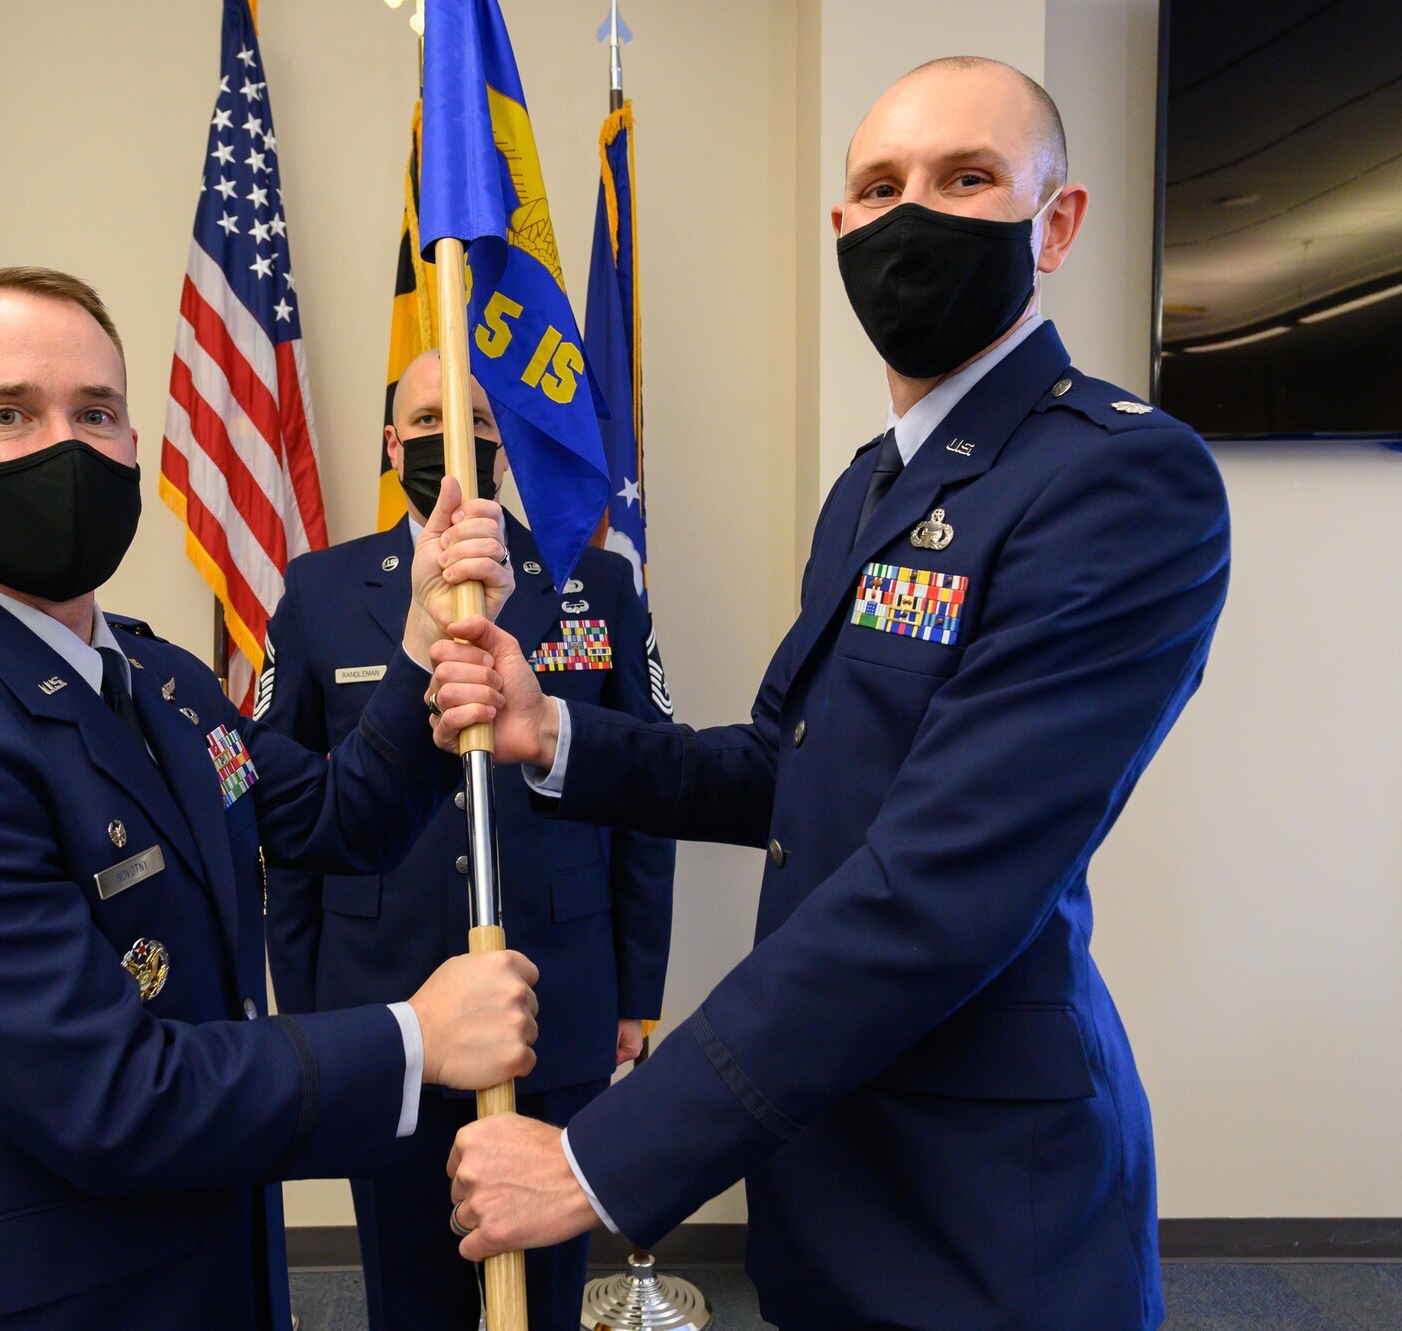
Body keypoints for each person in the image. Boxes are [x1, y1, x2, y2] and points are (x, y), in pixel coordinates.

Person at [433, 57, 1232, 1330]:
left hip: (977, 1201)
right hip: (819, 1149)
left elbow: (939, 880)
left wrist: (601, 1152)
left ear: (1055, 221)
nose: (911, 215)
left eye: (966, 178)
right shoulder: (870, 487)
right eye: (878, 186)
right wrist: (559, 735)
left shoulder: (1121, 482)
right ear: (842, 229)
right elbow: (787, 770)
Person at [0, 266, 536, 1331]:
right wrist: (413, 1037)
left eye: (95, 412)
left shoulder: (164, 682)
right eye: (9, 412)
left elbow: (337, 818)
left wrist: (421, 637)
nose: (65, 445)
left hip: (219, 1265)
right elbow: (112, 1094)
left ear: (137, 441)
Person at [256, 348, 676, 1329]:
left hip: (555, 993)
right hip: (381, 996)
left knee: (545, 1285)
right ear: (392, 442)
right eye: (432, 419)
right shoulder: (319, 591)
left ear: (506, 446)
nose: (459, 440)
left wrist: (635, 990)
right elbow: (287, 821)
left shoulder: (592, 584)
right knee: (406, 1282)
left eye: (482, 425)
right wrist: (306, 1002)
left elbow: (645, 799)